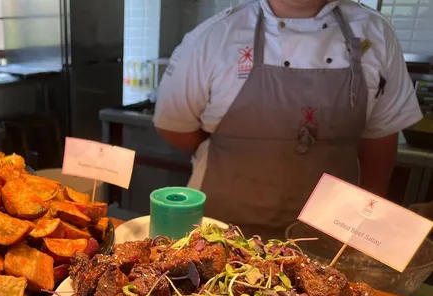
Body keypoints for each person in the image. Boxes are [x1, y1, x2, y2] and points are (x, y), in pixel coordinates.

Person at [154, 0, 422, 237]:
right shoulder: (214, 35)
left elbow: (380, 135)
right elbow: (175, 128)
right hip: (222, 232)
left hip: (328, 239)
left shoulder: (375, 32)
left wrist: (367, 220)